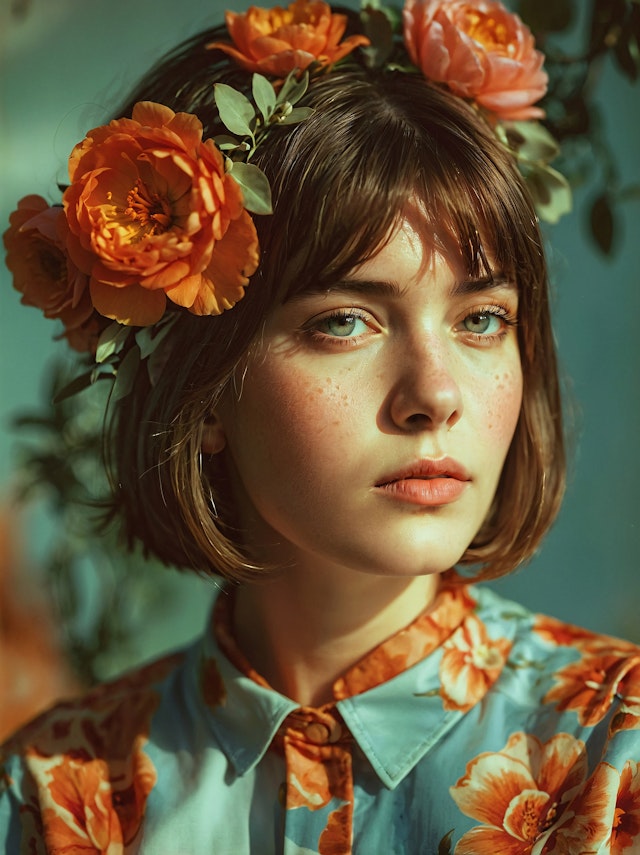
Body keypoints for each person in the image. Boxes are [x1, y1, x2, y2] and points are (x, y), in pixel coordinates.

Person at [1, 1, 639, 852]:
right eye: (345, 321)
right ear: (205, 385)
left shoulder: (615, 758)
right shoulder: (59, 797)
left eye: (481, 320)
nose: (435, 393)